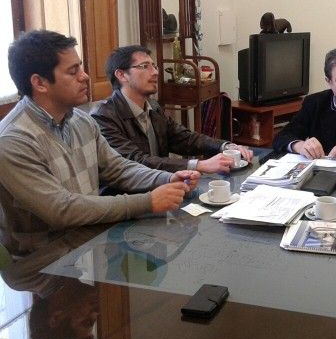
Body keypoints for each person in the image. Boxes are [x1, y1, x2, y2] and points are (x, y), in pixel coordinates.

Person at [0, 30, 199, 256]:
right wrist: (148, 201)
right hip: (42, 262)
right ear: (40, 83)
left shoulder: (81, 121)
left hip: (89, 246)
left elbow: (117, 168)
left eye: (81, 68)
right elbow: (61, 210)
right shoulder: (14, 141)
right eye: (73, 71)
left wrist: (165, 178)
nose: (85, 76)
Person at [91, 45, 252, 173]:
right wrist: (199, 165)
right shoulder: (103, 117)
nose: (155, 72)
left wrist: (225, 146)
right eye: (144, 66)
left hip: (163, 186)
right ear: (121, 75)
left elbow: (184, 138)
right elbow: (135, 161)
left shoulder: (153, 107)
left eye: (154, 66)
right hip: (129, 197)